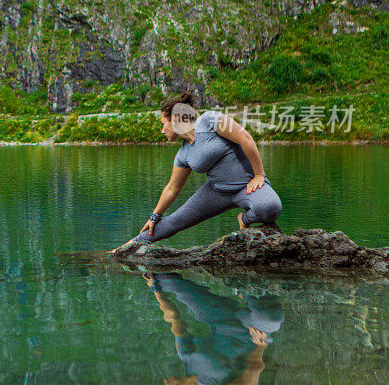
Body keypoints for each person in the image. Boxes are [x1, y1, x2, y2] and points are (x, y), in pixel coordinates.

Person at [112, 92, 282, 251]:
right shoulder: (183, 155)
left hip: (248, 185)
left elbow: (246, 139)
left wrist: (259, 175)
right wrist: (154, 217)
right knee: (174, 222)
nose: (162, 131)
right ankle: (123, 249)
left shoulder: (209, 120)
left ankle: (243, 219)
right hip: (217, 192)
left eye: (163, 124)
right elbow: (172, 188)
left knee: (271, 207)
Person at [144, 271, 283, 385]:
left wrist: (155, 288)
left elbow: (174, 319)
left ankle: (241, 285)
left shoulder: (186, 357)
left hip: (218, 318)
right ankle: (243, 286)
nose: (165, 382)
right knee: (271, 320)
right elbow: (253, 372)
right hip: (251, 333)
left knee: (162, 279)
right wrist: (260, 345)